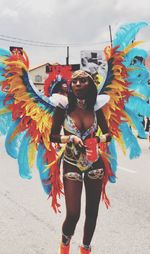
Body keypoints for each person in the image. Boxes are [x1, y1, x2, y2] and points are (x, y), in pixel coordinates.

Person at [50, 70, 111, 254]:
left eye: (82, 81)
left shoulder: (96, 107)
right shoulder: (63, 106)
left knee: (92, 213)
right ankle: (64, 247)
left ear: (90, 85)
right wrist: (70, 139)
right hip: (71, 162)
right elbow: (52, 135)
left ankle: (85, 249)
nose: (77, 84)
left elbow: (108, 134)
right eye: (74, 81)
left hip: (95, 163)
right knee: (73, 214)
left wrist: (98, 140)